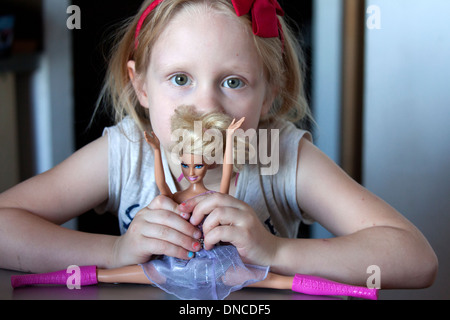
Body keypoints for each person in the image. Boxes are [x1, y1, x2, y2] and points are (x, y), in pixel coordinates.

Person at [0, 0, 437, 291]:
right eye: (180, 79)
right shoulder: (126, 152)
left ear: (270, 94)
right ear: (141, 86)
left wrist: (276, 250)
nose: (206, 104)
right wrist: (115, 252)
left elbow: (415, 259)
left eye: (233, 82)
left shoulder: (282, 155)